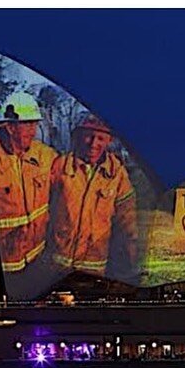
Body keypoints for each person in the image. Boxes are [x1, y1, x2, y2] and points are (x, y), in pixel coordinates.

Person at [48, 115, 138, 280]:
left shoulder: (117, 175)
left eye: (101, 138)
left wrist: (129, 266)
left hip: (93, 270)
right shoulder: (60, 166)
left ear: (109, 140)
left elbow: (127, 224)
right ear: (79, 137)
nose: (93, 144)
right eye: (89, 136)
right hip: (55, 269)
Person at [0, 92, 58, 274]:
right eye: (28, 124)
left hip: (38, 258)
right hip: (2, 267)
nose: (34, 131)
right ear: (10, 127)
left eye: (35, 124)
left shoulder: (46, 156)